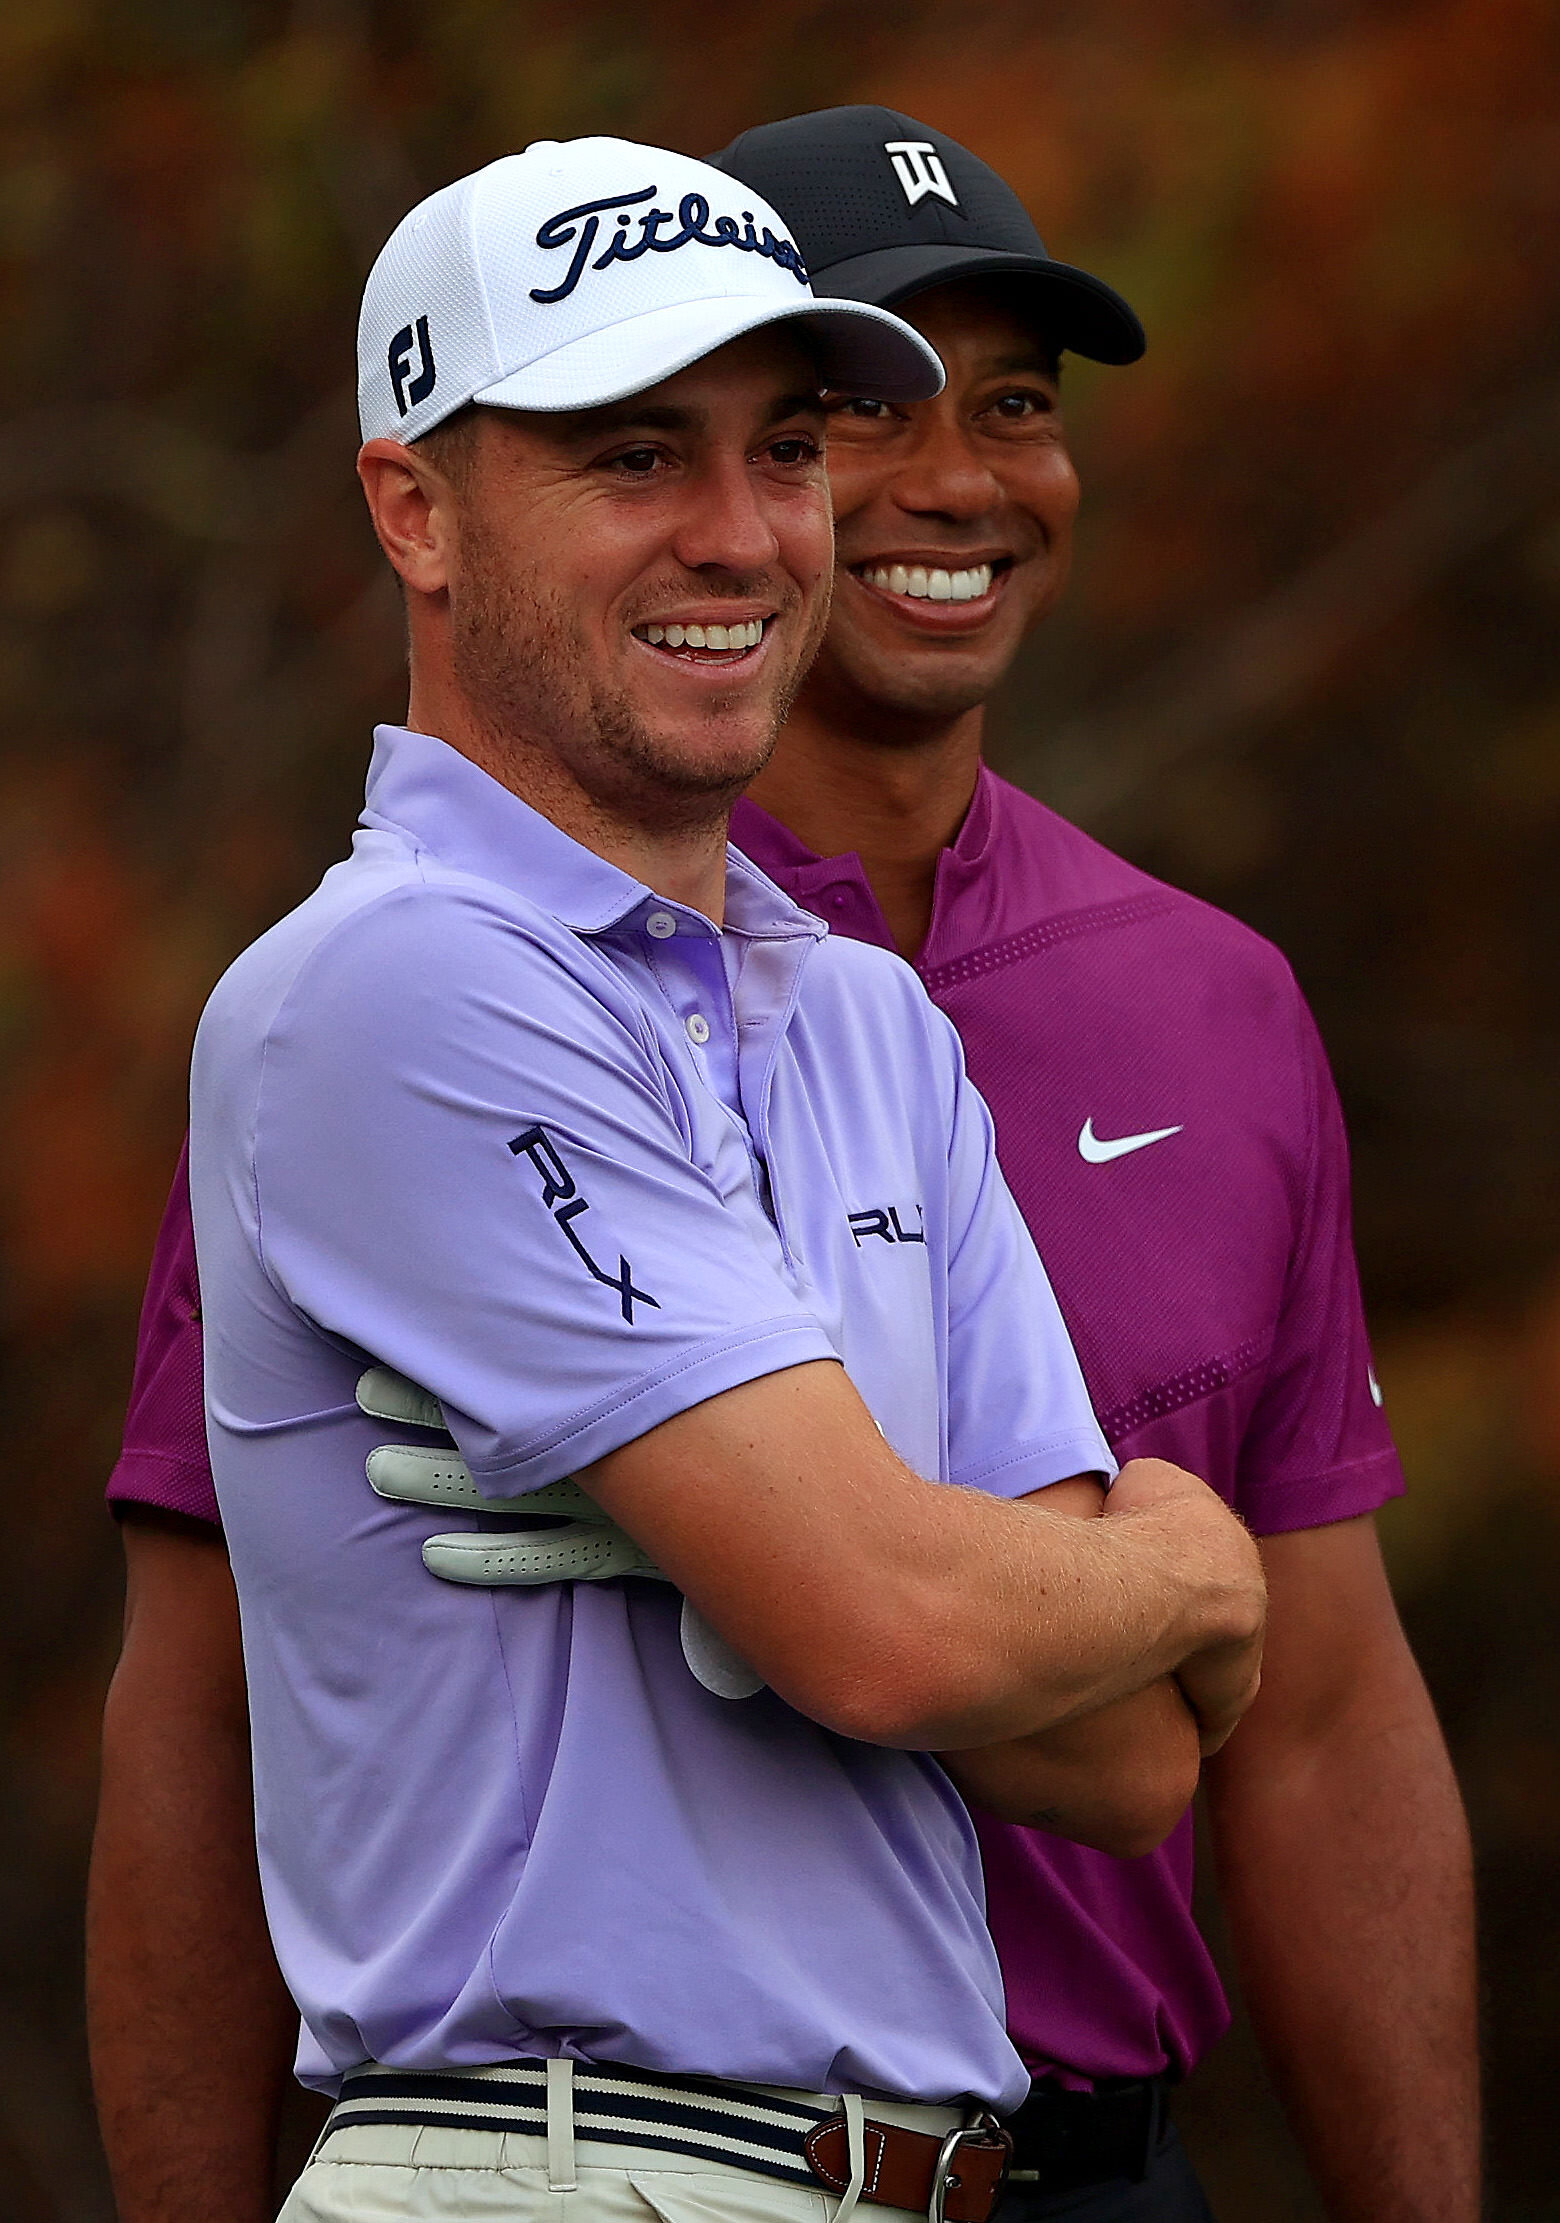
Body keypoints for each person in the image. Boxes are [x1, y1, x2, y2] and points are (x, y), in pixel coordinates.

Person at [88, 110, 1475, 2223]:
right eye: (635, 453)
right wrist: (1141, 1571)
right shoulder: (391, 996)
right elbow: (896, 1634)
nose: (752, 526)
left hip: (1008, 2166)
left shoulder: (887, 1019)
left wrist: (779, 1546)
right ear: (416, 509)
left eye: (784, 445)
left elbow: (1140, 1759)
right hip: (561, 2157)